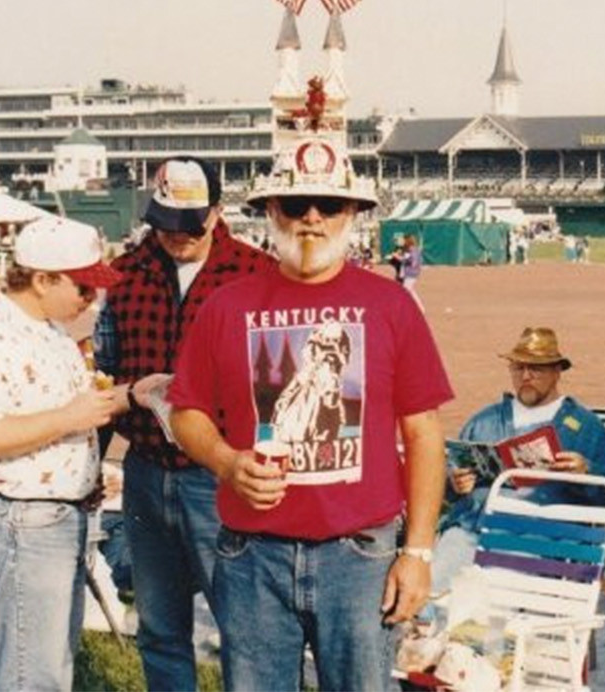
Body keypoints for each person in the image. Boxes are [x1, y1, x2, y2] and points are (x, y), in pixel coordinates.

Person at [168, 132, 454, 691]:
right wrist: (227, 463)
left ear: (354, 213)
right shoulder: (226, 306)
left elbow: (423, 433)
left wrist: (417, 552)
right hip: (252, 554)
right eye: (296, 204)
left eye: (331, 205)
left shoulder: (391, 305)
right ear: (272, 211)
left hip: (360, 556)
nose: (312, 219)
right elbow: (186, 413)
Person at [93, 157, 275, 691]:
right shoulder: (124, 276)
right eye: (165, 223)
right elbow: (105, 375)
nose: (176, 237)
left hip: (218, 475)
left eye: (189, 224)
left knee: (242, 621)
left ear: (217, 214)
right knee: (159, 624)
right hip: (146, 471)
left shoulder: (254, 274)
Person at [0, 216, 145, 691]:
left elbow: (75, 409)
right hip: (21, 520)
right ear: (41, 279)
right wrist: (69, 420)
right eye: (82, 286)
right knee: (27, 675)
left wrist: (134, 393)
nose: (90, 298)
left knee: (49, 667)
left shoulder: (49, 331)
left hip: (53, 518)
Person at [429, 327, 605, 597]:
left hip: (539, 535)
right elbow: (448, 483)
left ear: (557, 371)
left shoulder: (583, 427)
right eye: (518, 368)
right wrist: (455, 483)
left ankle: (486, 633)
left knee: (490, 594)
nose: (525, 376)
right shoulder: (484, 421)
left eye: (537, 369)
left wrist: (587, 471)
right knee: (431, 588)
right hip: (472, 530)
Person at [400, 233, 425, 310]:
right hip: (411, 273)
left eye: (404, 240)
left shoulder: (413, 250)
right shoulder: (412, 250)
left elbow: (413, 263)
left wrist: (403, 260)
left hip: (411, 273)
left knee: (404, 291)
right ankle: (420, 308)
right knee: (411, 291)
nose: (403, 242)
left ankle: (405, 308)